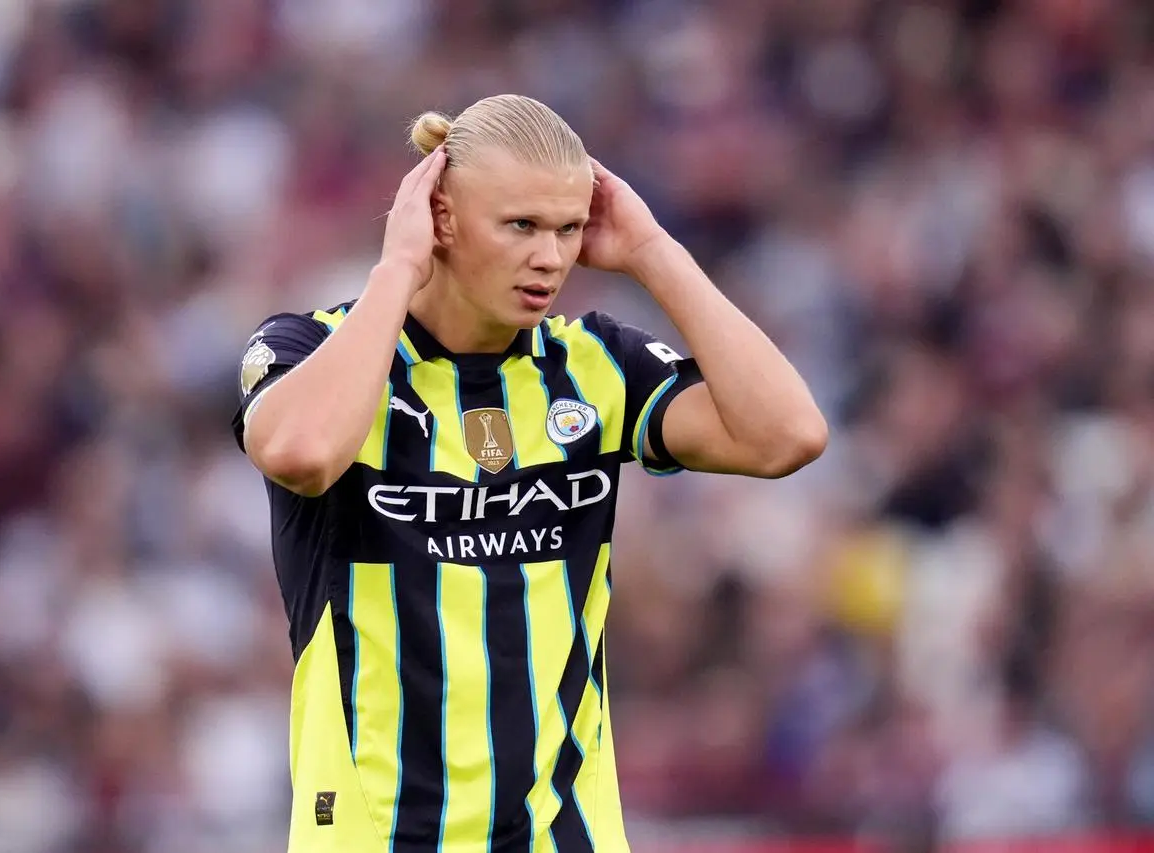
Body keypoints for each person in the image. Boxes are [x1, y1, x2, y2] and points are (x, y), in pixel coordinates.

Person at [232, 94, 827, 853]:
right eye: (520, 226)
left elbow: (787, 434)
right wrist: (399, 267)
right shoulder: (312, 349)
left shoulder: (593, 364)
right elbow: (302, 454)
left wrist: (652, 250)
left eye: (567, 228)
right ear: (441, 216)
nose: (550, 257)